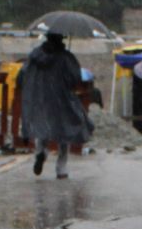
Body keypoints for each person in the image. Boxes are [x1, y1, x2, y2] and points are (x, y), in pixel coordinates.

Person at [18, 28, 91, 178]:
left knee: (43, 126)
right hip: (61, 98)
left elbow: (23, 74)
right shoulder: (65, 57)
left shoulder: (35, 55)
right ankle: (61, 168)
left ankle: (41, 152)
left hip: (40, 97)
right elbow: (75, 78)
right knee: (65, 130)